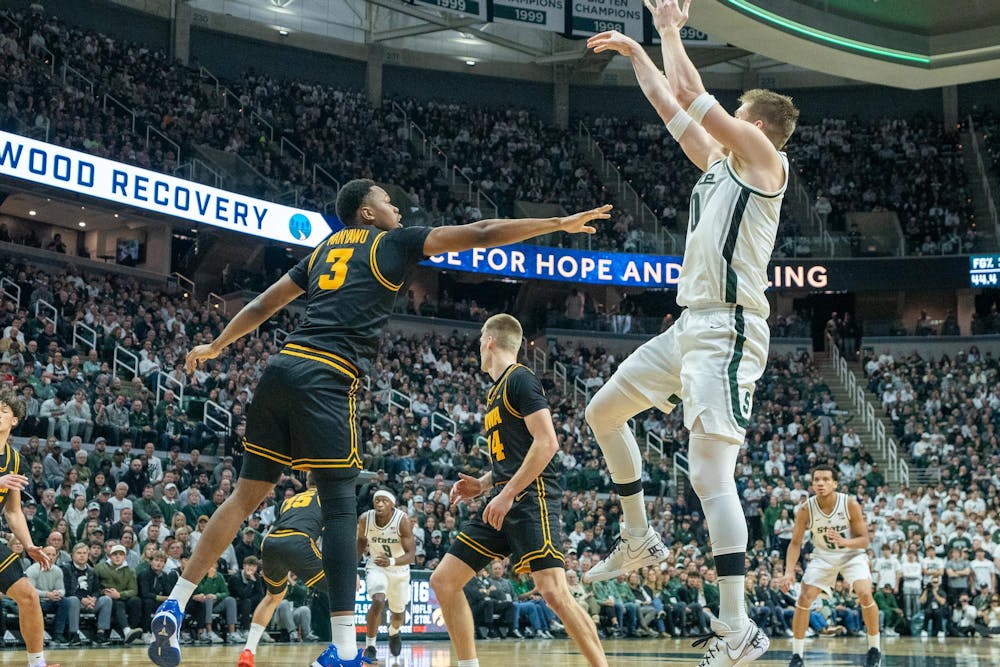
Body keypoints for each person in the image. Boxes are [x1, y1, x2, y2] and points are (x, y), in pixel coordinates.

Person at [149, 179, 610, 667]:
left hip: (279, 369)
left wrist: (217, 345)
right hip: (327, 376)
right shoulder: (392, 243)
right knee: (344, 507)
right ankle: (346, 651)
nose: (397, 206)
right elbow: (481, 231)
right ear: (367, 214)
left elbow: (264, 305)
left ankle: (174, 603)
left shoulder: (324, 250)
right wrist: (557, 224)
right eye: (388, 201)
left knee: (244, 497)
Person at [582, 2, 799, 664]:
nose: (723, 118)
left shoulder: (764, 160)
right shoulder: (717, 166)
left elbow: (695, 96)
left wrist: (671, 31)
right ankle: (638, 532)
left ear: (755, 123)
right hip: (690, 326)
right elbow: (669, 100)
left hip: (729, 332)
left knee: (710, 474)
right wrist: (637, 52)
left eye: (737, 113)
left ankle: (738, 626)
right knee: (602, 411)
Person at [429, 314, 608, 667]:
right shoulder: (496, 390)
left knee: (554, 593)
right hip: (502, 498)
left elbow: (547, 443)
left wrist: (507, 492)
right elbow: (513, 456)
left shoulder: (520, 379)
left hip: (531, 498)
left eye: (481, 339)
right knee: (444, 580)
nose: (479, 346)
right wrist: (482, 484)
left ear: (490, 341)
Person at [777, 466, 881, 667]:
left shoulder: (849, 504)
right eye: (816, 480)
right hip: (823, 556)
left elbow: (864, 540)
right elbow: (795, 543)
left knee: (865, 593)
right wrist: (789, 571)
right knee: (804, 597)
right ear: (812, 483)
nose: (820, 483)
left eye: (825, 479)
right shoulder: (806, 509)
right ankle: (797, 656)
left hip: (851, 555)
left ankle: (874, 649)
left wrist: (844, 542)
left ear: (835, 483)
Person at [237, 476, 327, 667]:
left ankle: (248, 651)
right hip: (299, 540)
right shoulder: (327, 498)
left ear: (307, 483)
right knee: (341, 589)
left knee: (272, 597)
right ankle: (342, 651)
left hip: (271, 542)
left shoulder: (288, 501)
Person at [0, 389, 60, 667]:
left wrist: (28, 545)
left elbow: (12, 511)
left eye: (3, 410)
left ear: (14, 421)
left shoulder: (14, 460)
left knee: (28, 596)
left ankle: (37, 663)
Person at [357, 489, 415, 662]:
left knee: (398, 615)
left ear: (392, 504)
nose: (380, 504)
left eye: (384, 501)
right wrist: (352, 568)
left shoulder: (402, 520)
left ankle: (394, 632)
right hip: (376, 565)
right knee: (378, 600)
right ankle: (370, 646)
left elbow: (411, 555)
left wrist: (391, 561)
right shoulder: (365, 519)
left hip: (399, 569)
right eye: (377, 501)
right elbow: (360, 543)